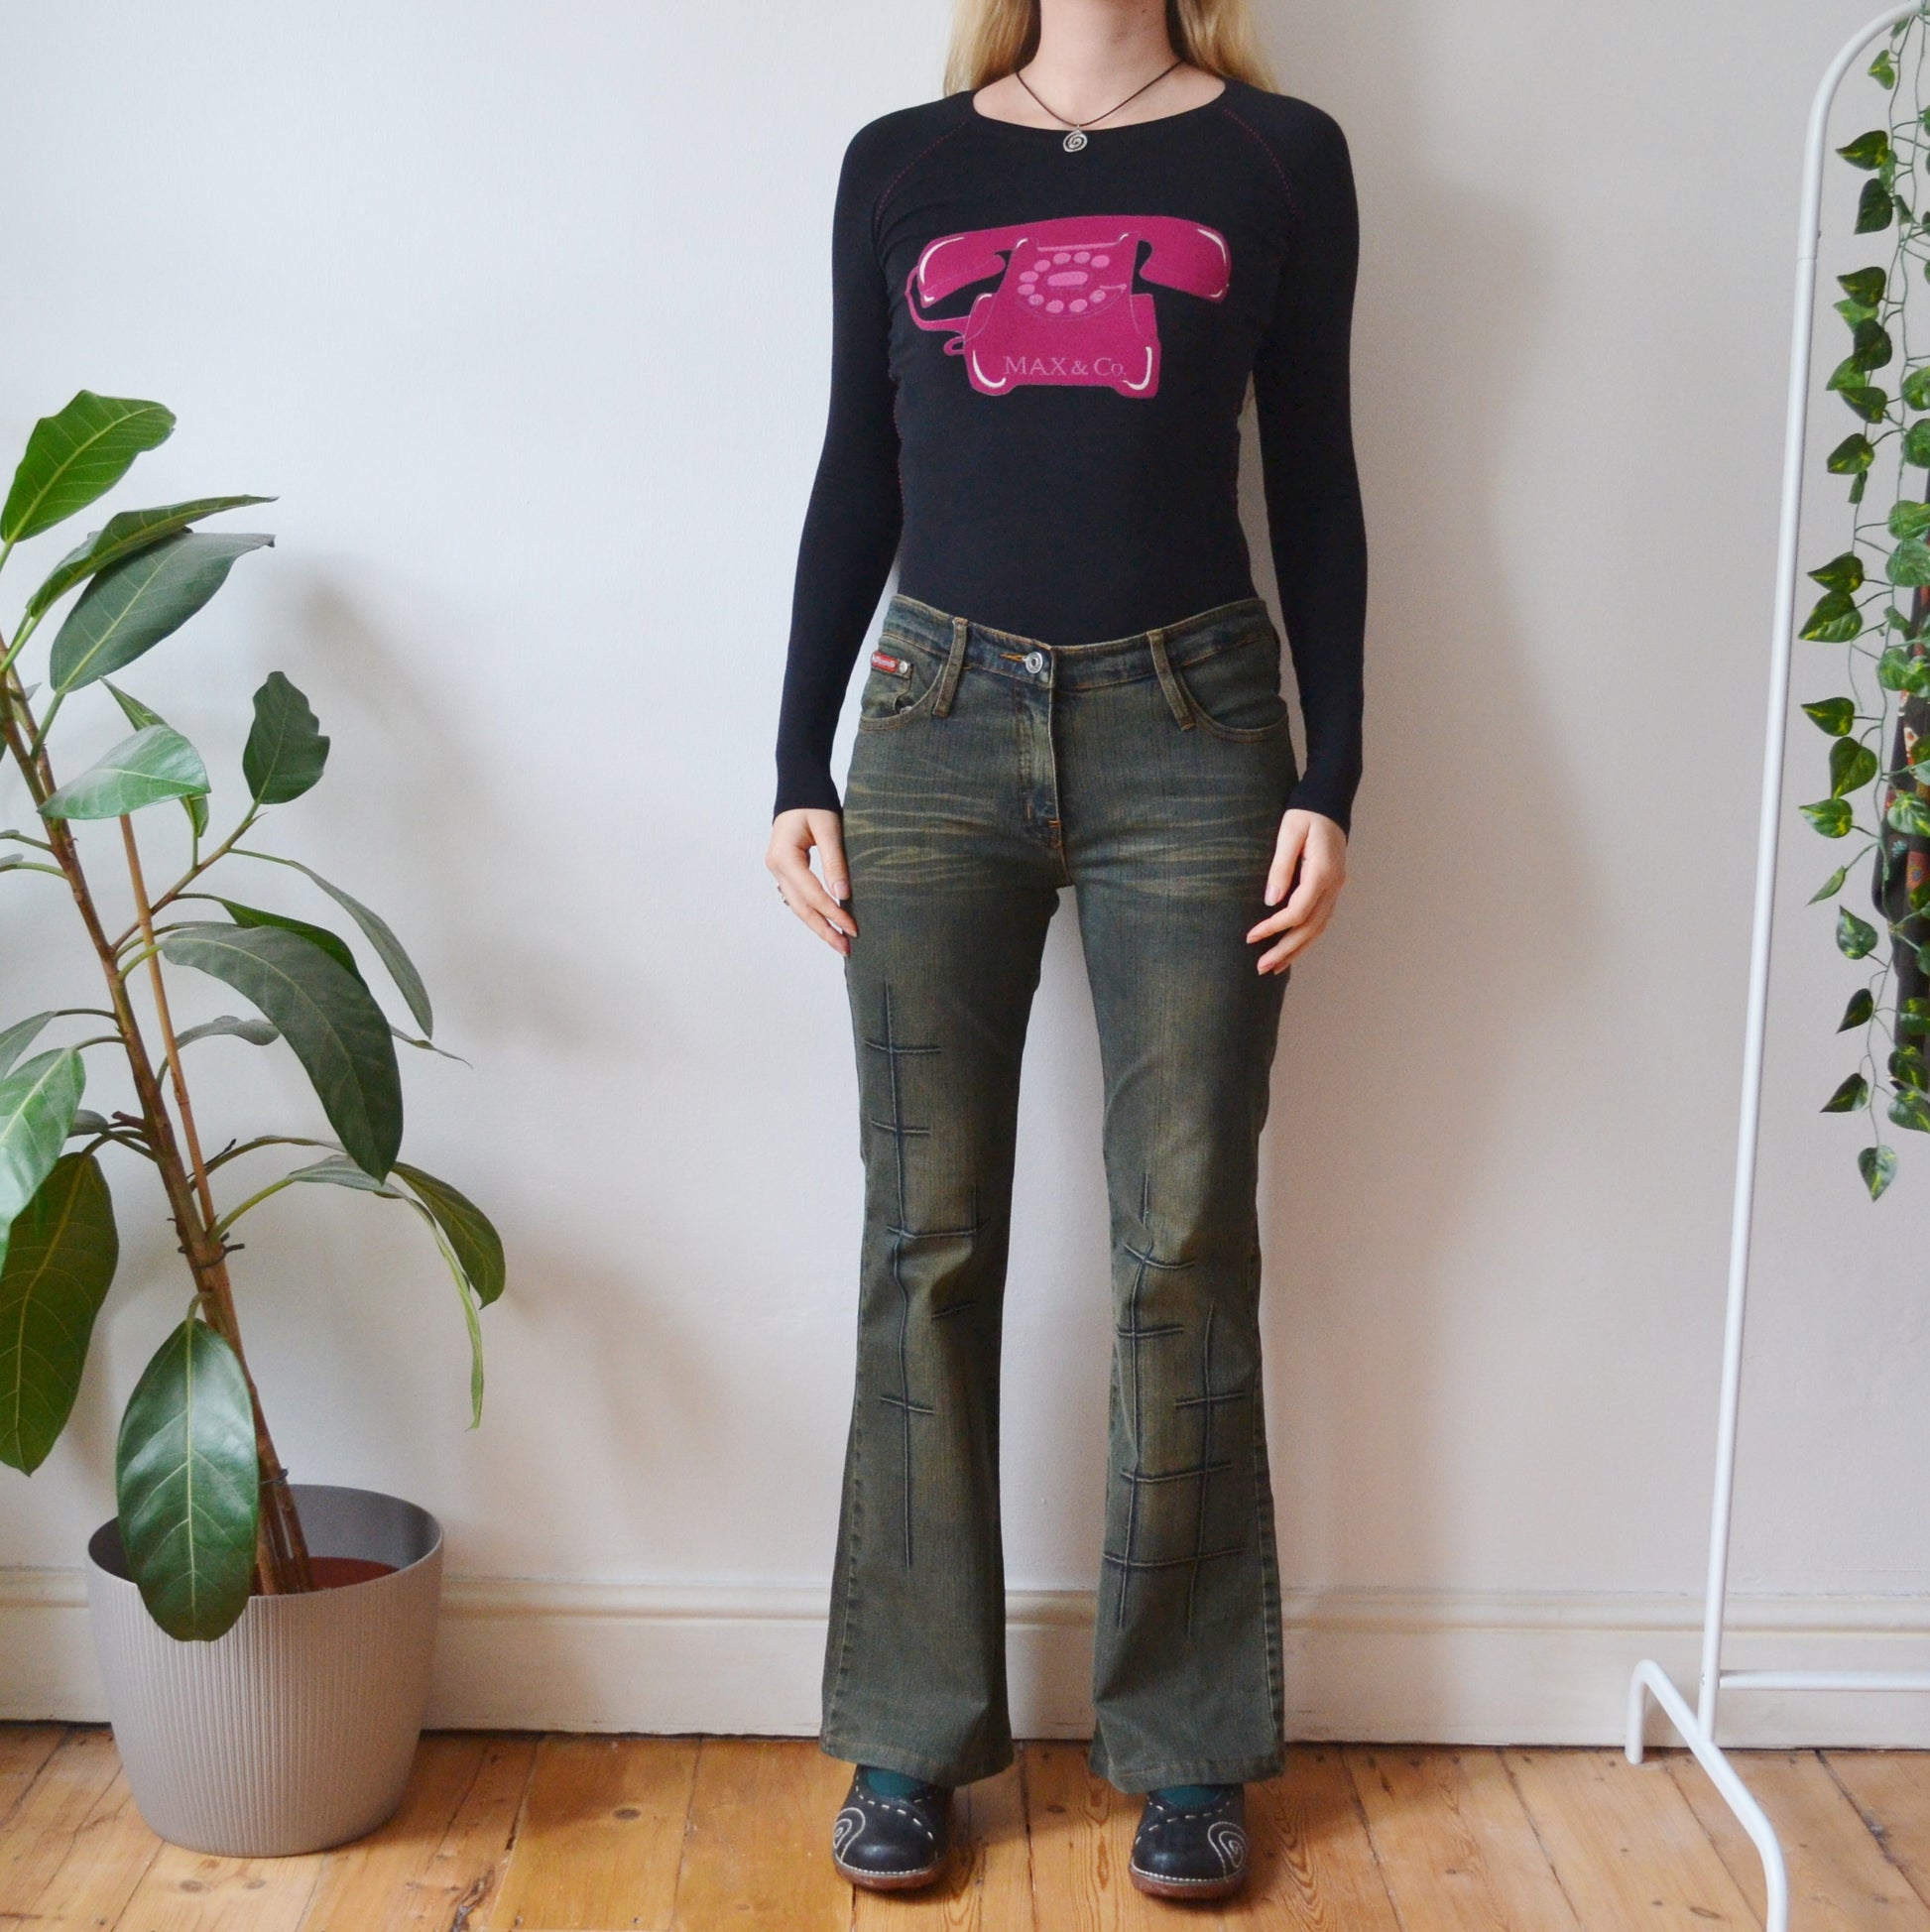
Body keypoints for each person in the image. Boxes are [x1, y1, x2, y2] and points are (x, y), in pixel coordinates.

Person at [766, 0, 1364, 1899]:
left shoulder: (1277, 156)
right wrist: (796, 760)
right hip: (930, 721)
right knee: (923, 1237)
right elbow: (857, 460)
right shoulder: (903, 160)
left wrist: (1333, 770)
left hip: (1195, 730)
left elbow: (1316, 473)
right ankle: (908, 1728)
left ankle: (1184, 1747)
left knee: (1182, 1239)